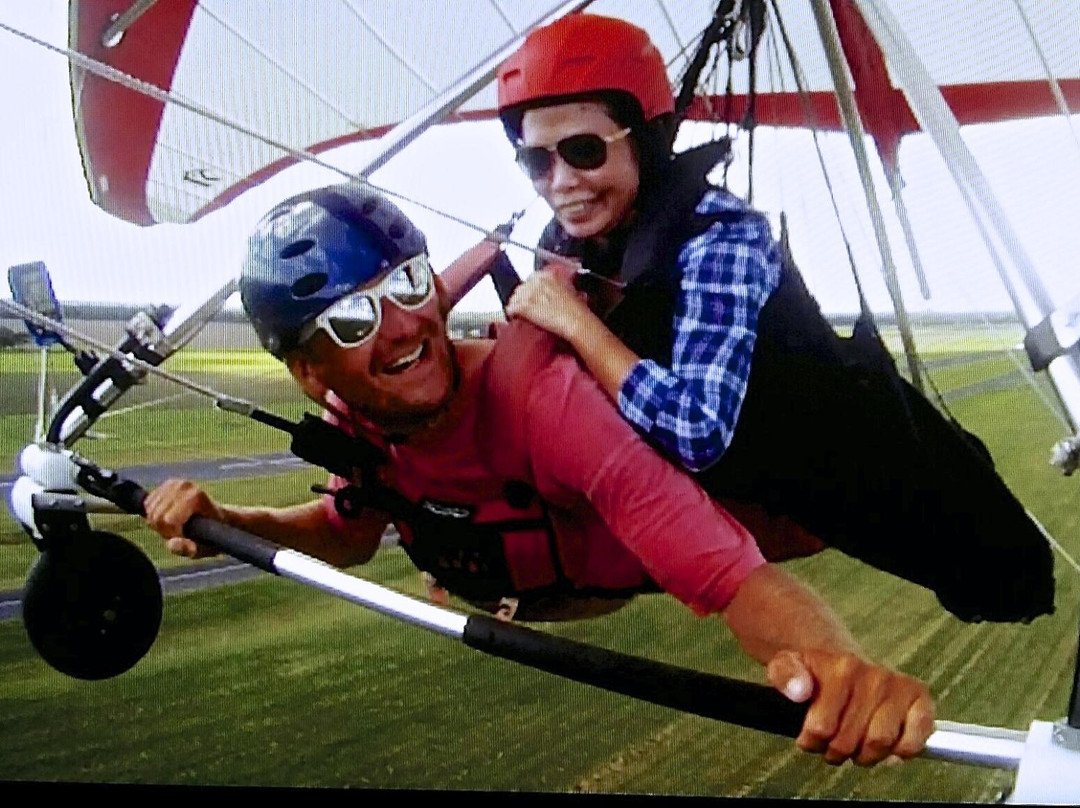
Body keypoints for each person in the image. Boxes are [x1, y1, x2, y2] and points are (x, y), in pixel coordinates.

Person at [144, 182, 933, 767]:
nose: (404, 326)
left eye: (409, 286)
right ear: (313, 376)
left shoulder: (544, 404)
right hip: (540, 579)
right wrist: (230, 524)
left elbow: (733, 576)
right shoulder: (359, 424)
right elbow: (345, 538)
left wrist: (837, 666)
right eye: (354, 321)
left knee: (882, 500)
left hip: (750, 513)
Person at [493, 12, 1055, 624]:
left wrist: (580, 326)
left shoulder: (722, 237)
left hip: (855, 452)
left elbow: (697, 429)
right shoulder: (570, 243)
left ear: (645, 138)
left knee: (1003, 576)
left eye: (583, 150)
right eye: (537, 163)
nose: (562, 182)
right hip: (769, 481)